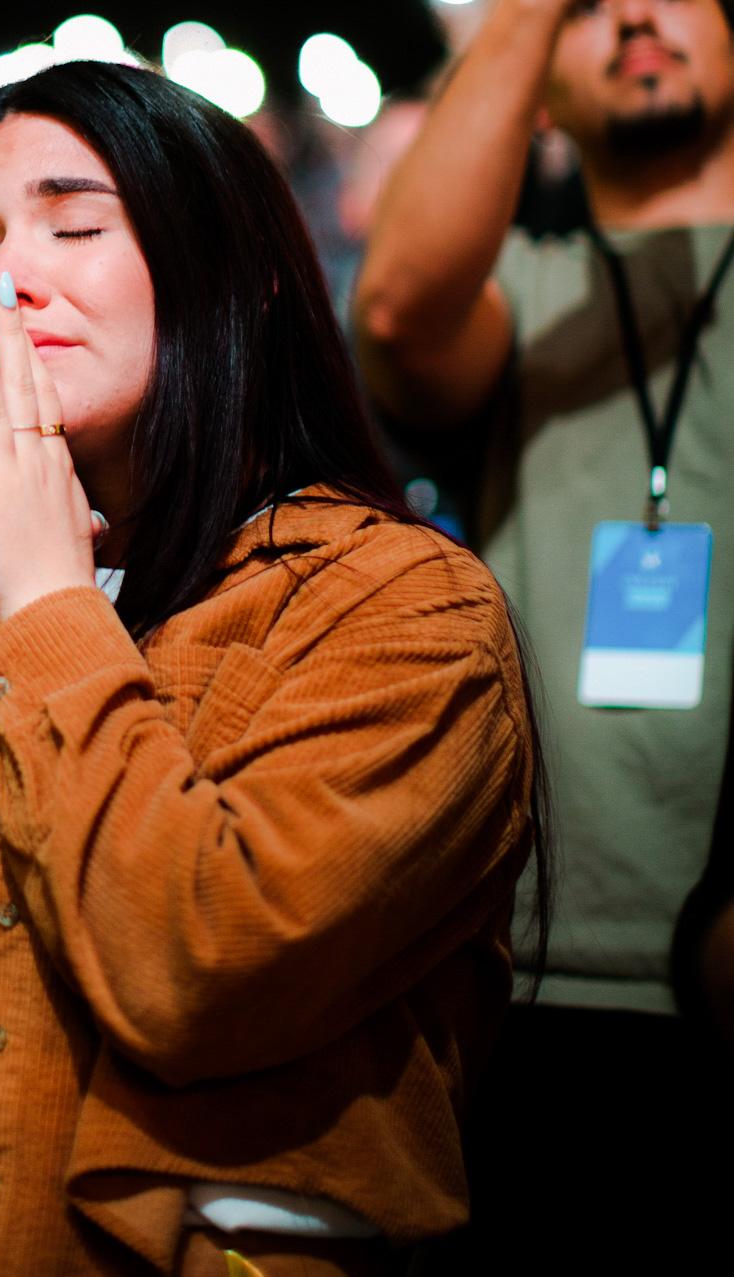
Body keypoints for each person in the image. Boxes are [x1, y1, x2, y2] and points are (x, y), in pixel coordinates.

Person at [0, 62, 545, 1277]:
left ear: (244, 276)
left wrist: (44, 610)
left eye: (76, 223)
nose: (7, 279)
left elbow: (192, 968)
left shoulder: (400, 605)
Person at [353, 0, 734, 1269]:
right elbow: (401, 309)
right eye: (584, 6)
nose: (629, 12)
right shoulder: (522, 288)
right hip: (526, 970)